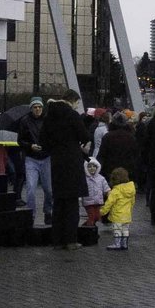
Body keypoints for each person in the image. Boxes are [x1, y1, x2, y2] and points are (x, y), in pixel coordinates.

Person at [43, 93, 91, 247]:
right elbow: (84, 135)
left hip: (56, 162)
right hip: (72, 161)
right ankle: (71, 240)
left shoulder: (50, 115)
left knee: (58, 202)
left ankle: (57, 240)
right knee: (71, 203)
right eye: (77, 102)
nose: (77, 106)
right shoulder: (72, 115)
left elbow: (42, 139)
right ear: (72, 101)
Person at [16, 97, 52, 229]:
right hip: (31, 158)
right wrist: (30, 146)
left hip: (46, 157)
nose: (38, 109)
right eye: (35, 107)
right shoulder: (25, 121)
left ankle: (48, 211)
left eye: (40, 107)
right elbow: (20, 140)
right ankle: (31, 215)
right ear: (31, 108)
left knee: (49, 189)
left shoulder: (48, 121)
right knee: (31, 189)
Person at [101, 165, 136, 250]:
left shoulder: (115, 191)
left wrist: (102, 212)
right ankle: (124, 244)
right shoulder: (131, 189)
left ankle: (117, 244)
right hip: (127, 215)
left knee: (117, 230)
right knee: (125, 230)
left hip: (117, 215)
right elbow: (132, 202)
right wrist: (129, 210)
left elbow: (109, 203)